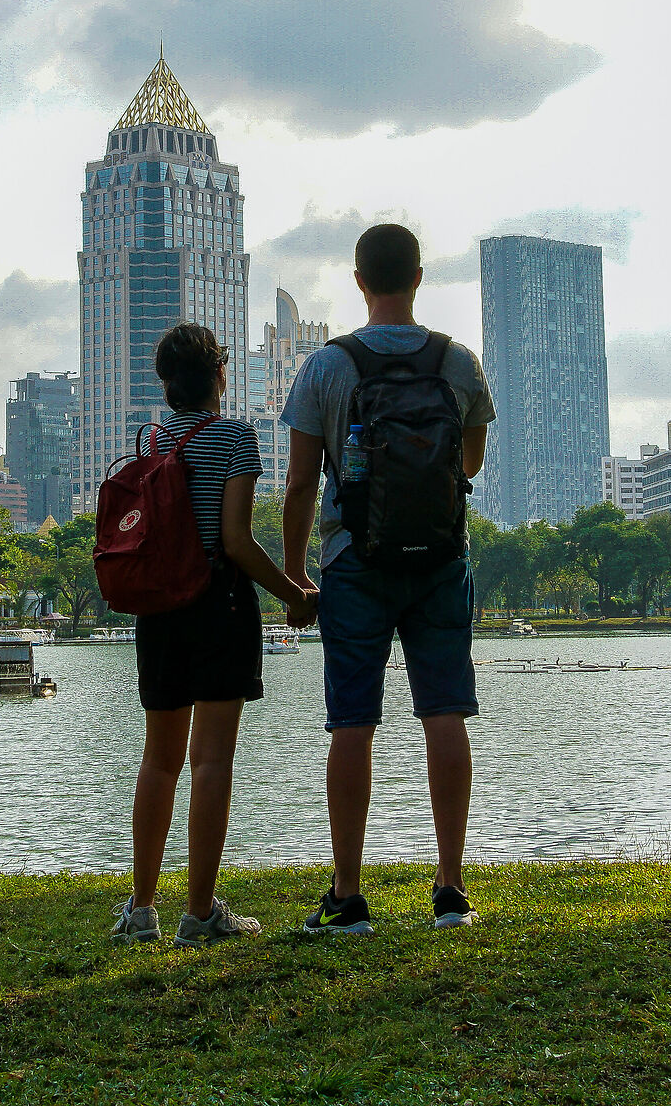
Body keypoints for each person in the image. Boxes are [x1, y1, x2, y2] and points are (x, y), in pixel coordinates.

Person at [280, 222, 493, 934]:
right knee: (444, 715)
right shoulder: (458, 362)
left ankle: (347, 896)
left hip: (352, 566)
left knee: (352, 725)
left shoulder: (325, 368)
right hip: (440, 560)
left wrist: (292, 575)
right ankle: (452, 890)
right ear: (420, 277)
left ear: (359, 281)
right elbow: (469, 466)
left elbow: (301, 486)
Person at [111, 322, 319, 949]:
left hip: (159, 609)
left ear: (165, 382)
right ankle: (199, 914)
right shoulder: (235, 437)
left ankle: (141, 908)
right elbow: (234, 541)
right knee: (211, 760)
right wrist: (294, 594)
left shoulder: (149, 439)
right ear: (221, 379)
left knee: (159, 758)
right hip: (218, 607)